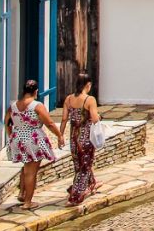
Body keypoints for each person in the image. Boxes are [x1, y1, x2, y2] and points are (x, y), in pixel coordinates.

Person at [5, 79, 63, 211]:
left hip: (18, 138)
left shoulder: (13, 105)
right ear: (36, 91)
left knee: (26, 167)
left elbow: (7, 121)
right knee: (31, 172)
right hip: (33, 139)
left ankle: (22, 193)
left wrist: (11, 136)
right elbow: (49, 123)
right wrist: (59, 135)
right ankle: (27, 202)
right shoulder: (37, 106)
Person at [61, 72, 100, 207]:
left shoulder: (69, 99)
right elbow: (94, 118)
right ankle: (75, 196)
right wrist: (99, 117)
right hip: (86, 138)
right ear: (88, 85)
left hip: (74, 137)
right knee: (84, 167)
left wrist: (60, 135)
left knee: (79, 164)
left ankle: (92, 183)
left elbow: (64, 118)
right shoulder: (90, 100)